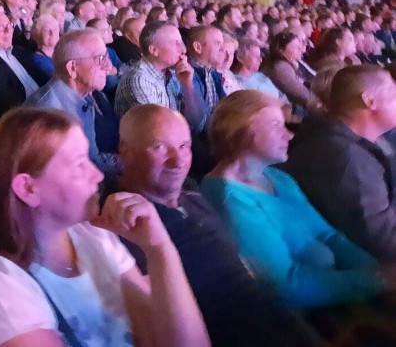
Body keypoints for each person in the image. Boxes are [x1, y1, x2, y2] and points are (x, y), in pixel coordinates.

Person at [0, 107, 209, 347]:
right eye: (80, 165)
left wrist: (159, 249)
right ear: (29, 188)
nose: (99, 175)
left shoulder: (92, 237)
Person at [115, 104, 319, 347]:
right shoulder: (127, 224)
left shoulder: (192, 196)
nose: (178, 160)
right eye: (160, 147)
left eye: (184, 147)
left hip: (273, 316)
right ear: (126, 152)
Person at [201, 90, 388, 309]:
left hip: (343, 296)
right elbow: (287, 287)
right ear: (241, 131)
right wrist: (375, 282)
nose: (289, 135)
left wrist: (377, 273)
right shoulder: (230, 199)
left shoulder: (276, 176)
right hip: (309, 321)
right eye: (275, 126)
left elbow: (328, 236)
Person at [284, 65, 396, 262]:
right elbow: (381, 240)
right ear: (370, 101)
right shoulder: (346, 158)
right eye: (393, 94)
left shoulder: (355, 141)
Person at [115, 21, 207, 174]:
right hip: (150, 162)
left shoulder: (172, 74)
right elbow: (161, 136)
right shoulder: (139, 80)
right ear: (154, 50)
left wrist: (187, 85)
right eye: (176, 44)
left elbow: (197, 123)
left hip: (171, 150)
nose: (183, 49)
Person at [26, 30, 116, 176]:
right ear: (72, 68)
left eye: (106, 57)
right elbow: (56, 179)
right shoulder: (48, 112)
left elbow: (92, 159)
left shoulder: (85, 96)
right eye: (100, 58)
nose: (108, 66)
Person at [0, 9, 42, 121]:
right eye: (0, 27)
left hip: (46, 102)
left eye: (9, 25)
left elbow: (42, 76)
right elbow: (5, 102)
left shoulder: (20, 52)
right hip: (27, 116)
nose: (7, 30)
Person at [262, 31, 317, 115]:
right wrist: (321, 102)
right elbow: (302, 94)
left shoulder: (290, 64)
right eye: (295, 47)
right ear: (281, 51)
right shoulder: (281, 68)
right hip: (295, 112)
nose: (300, 49)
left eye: (299, 46)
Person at [30, 13, 60, 82]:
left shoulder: (60, 54)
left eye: (55, 29)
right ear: (37, 35)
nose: (52, 33)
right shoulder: (37, 60)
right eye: (46, 30)